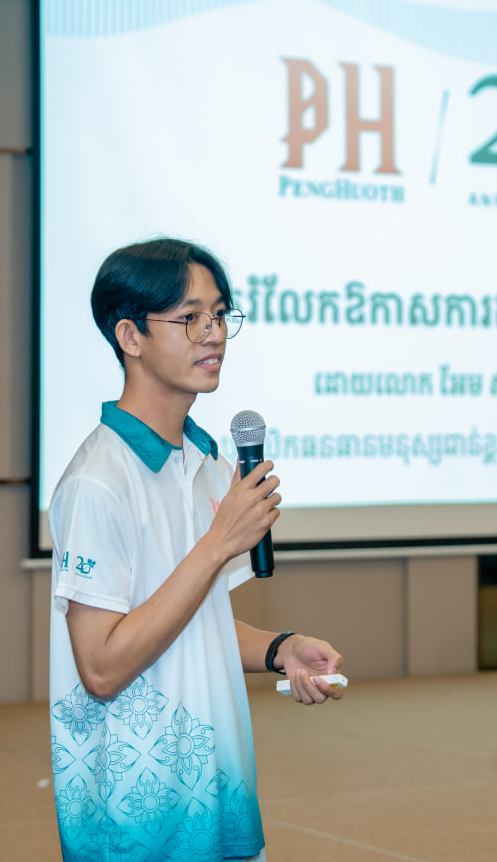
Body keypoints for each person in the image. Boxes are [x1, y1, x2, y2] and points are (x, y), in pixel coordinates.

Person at [48, 238, 344, 862]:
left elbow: (194, 623)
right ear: (130, 336)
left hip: (218, 789)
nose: (214, 333)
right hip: (136, 819)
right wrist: (216, 545)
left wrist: (279, 649)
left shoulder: (206, 462)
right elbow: (101, 668)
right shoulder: (97, 481)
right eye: (189, 317)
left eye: (220, 314)